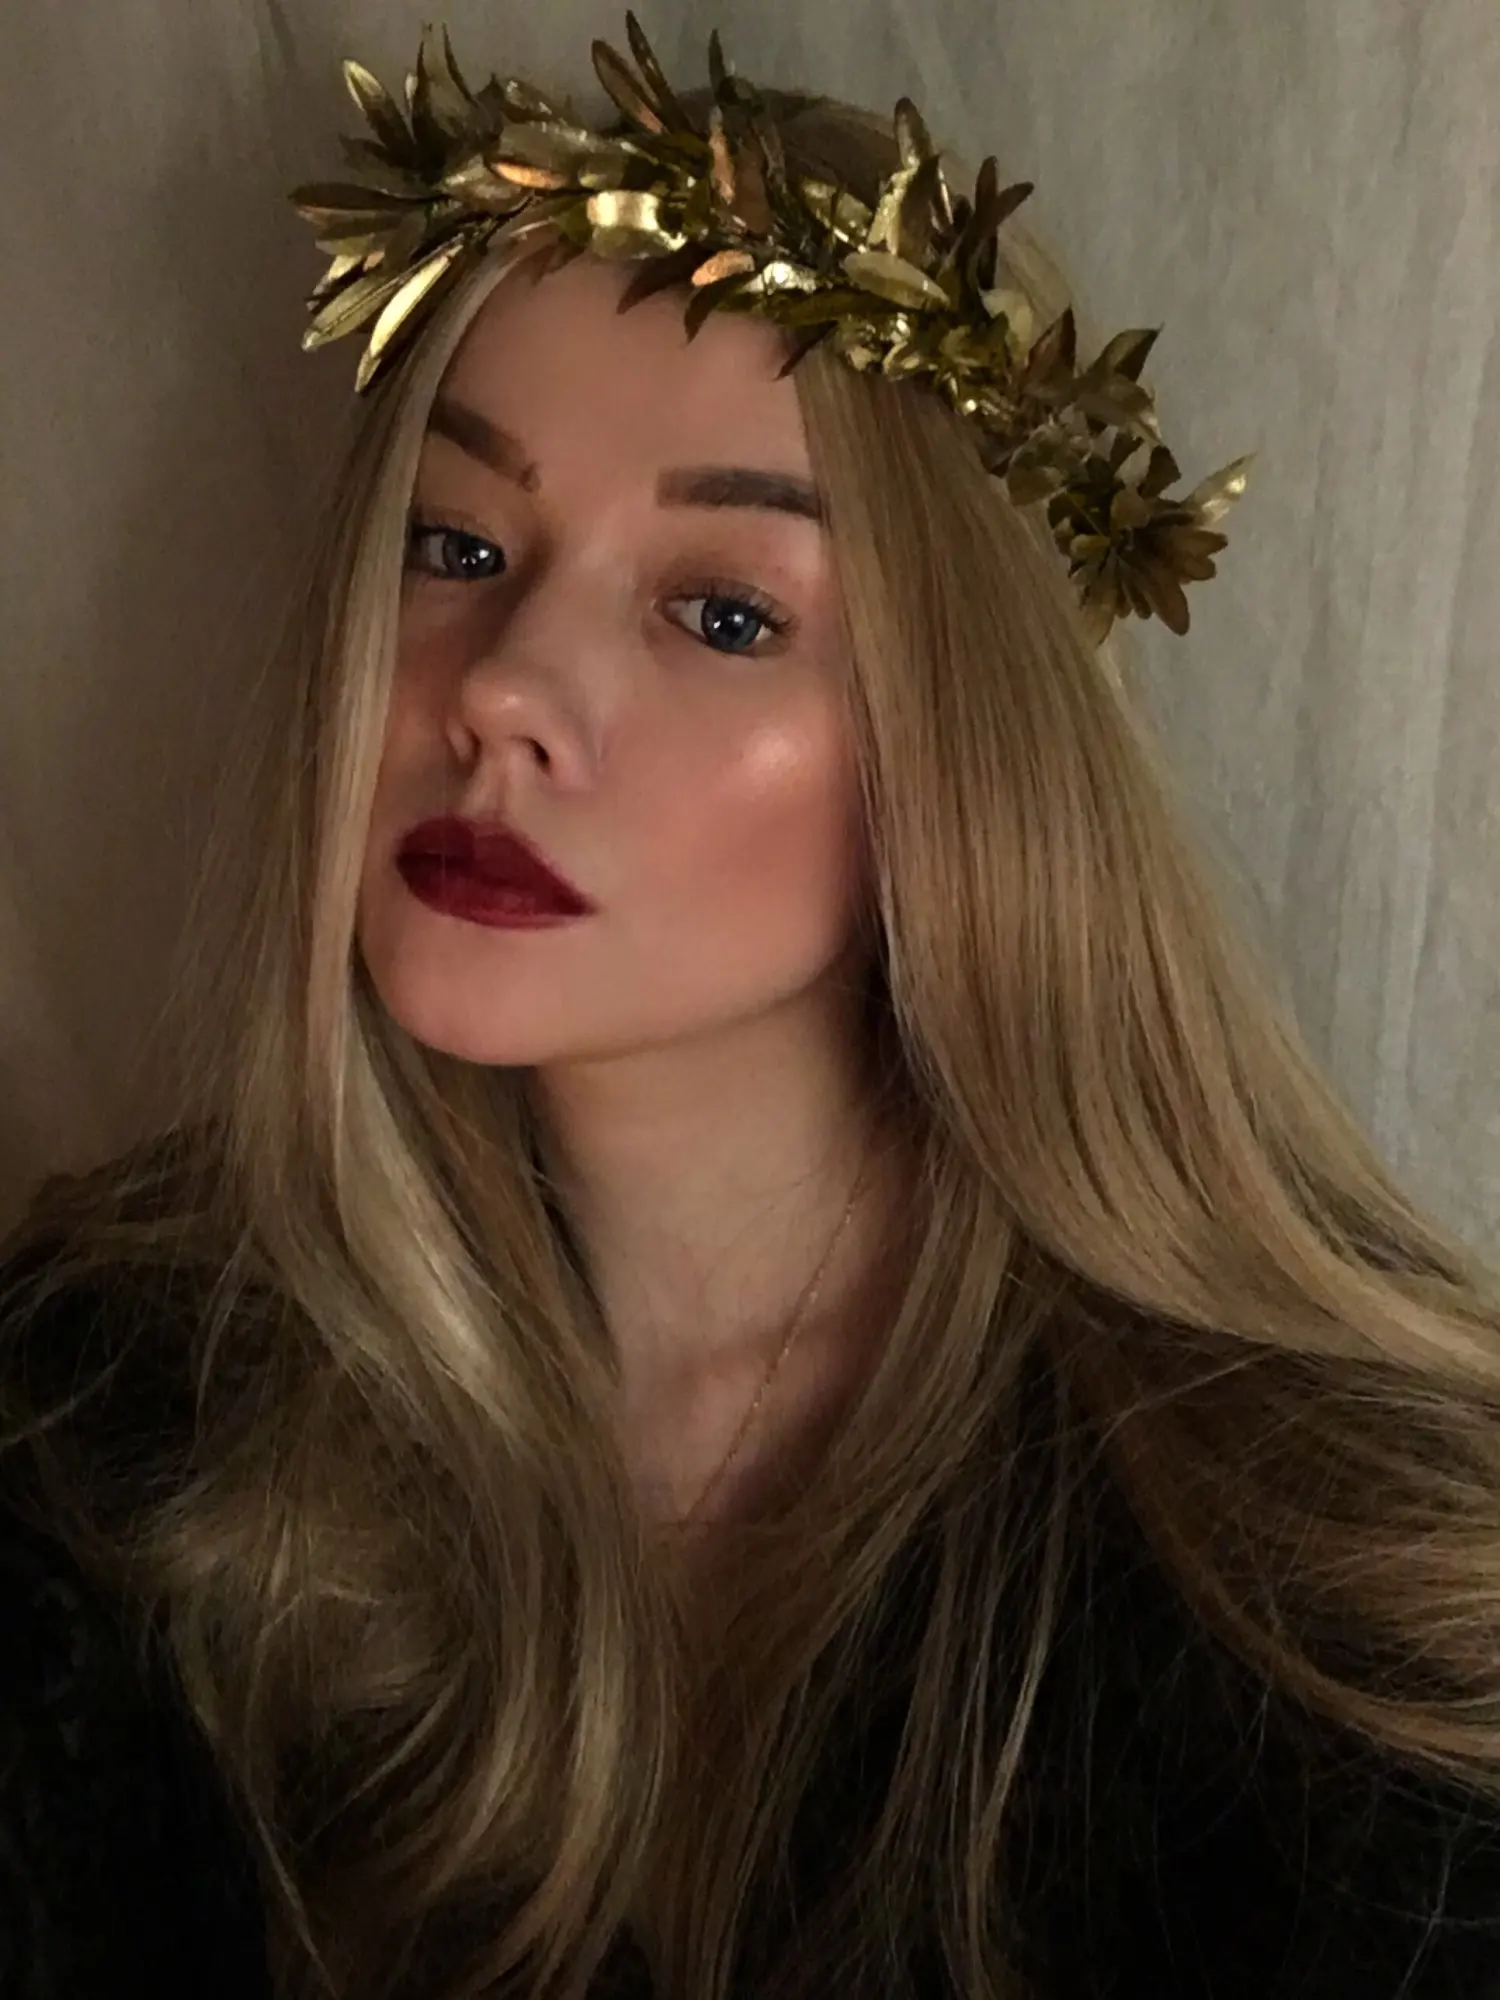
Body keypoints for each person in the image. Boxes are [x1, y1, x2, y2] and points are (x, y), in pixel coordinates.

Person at [3, 15, 1500, 1999]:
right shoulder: (118, 1420)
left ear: (963, 750)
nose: (500, 688)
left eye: (722, 612)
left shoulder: (1321, 1583)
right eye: (457, 544)